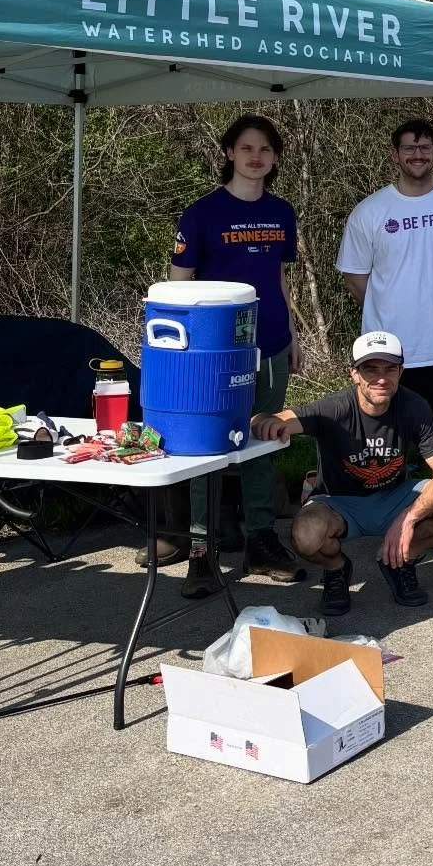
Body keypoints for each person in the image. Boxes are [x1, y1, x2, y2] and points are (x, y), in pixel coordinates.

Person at [171, 113, 306, 598]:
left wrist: (291, 332)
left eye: (266, 150)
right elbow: (177, 286)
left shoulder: (281, 212)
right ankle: (201, 553)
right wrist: (185, 353)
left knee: (263, 441)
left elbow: (279, 279)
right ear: (230, 153)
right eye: (247, 148)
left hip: (268, 344)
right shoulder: (202, 213)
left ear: (274, 159)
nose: (256, 157)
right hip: (213, 355)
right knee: (206, 449)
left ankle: (261, 541)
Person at [253, 332, 433, 615]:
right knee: (305, 535)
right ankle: (337, 569)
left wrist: (408, 519)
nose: (381, 378)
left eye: (390, 368)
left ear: (401, 371)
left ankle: (400, 560)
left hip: (393, 497)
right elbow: (275, 419)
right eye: (371, 369)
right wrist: (262, 421)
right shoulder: (335, 408)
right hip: (339, 502)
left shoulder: (413, 405)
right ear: (354, 374)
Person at [336, 118, 433, 479]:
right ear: (395, 154)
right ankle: (395, 518)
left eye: (425, 147)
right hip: (388, 350)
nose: (418, 155)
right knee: (388, 438)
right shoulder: (370, 211)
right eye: (410, 148)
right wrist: (392, 306)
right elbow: (355, 277)